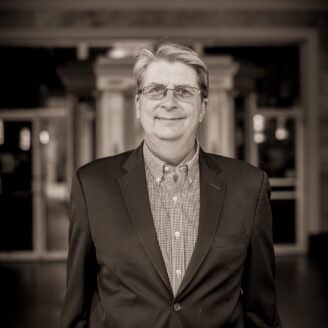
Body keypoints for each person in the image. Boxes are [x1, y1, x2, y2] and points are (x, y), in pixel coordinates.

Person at [61, 42, 281, 327]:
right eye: (155, 90)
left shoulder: (249, 187)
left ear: (202, 107)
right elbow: (75, 310)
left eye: (184, 91)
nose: (169, 102)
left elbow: (262, 312)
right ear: (138, 105)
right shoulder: (92, 186)